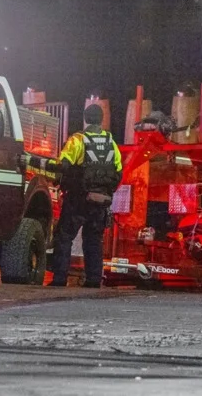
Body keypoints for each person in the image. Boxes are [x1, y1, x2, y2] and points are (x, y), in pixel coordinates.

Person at [47, 104, 123, 288]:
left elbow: (63, 165)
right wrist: (105, 192)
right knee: (94, 240)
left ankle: (59, 279)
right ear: (102, 119)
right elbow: (118, 171)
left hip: (78, 199)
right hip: (101, 201)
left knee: (65, 237)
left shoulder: (77, 140)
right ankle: (93, 280)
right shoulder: (111, 143)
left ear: (85, 118)